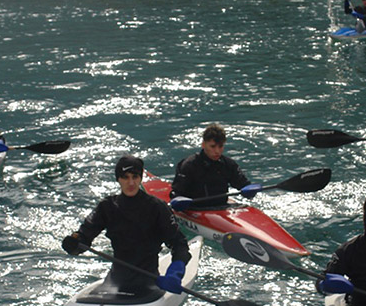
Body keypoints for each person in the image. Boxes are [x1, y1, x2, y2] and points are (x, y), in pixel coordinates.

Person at [61, 155, 192, 295]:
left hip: (148, 282)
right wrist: (74, 244)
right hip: (115, 281)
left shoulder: (157, 207)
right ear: (118, 179)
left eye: (135, 177)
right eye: (125, 177)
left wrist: (175, 273)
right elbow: (84, 236)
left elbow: (179, 244)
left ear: (140, 178)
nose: (131, 183)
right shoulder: (107, 206)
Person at [169, 124, 260, 211]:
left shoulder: (228, 164)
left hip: (221, 208)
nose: (217, 151)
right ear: (203, 145)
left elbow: (243, 184)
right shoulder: (189, 165)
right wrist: (178, 199)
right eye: (212, 146)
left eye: (220, 146)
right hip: (195, 208)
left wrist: (250, 190)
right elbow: (176, 192)